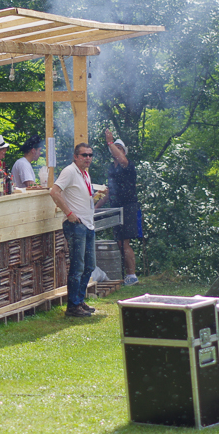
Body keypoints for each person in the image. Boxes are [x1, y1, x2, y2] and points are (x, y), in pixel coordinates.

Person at [49, 144, 107, 318]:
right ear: (75, 156)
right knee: (77, 267)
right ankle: (73, 306)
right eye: (84, 155)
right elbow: (54, 192)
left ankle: (79, 301)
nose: (88, 158)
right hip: (76, 225)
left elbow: (81, 197)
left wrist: (96, 196)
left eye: (90, 155)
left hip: (87, 224)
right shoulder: (70, 171)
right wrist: (69, 213)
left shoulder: (85, 173)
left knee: (89, 266)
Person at [106, 130, 141, 286]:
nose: (116, 150)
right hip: (116, 207)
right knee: (120, 242)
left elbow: (122, 160)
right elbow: (108, 192)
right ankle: (126, 275)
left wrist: (110, 142)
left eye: (119, 148)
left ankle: (132, 275)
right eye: (115, 148)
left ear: (124, 152)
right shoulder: (111, 168)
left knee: (125, 241)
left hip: (128, 207)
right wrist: (95, 206)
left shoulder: (127, 165)